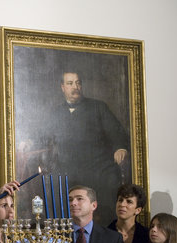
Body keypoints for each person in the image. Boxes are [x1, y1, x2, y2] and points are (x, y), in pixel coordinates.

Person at [34, 71, 130, 224]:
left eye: (78, 83)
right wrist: (27, 141)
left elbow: (116, 132)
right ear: (62, 87)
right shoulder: (55, 113)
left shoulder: (98, 107)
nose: (75, 87)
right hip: (66, 169)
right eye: (70, 83)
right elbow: (41, 137)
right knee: (53, 187)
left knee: (109, 182)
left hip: (96, 167)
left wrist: (120, 148)